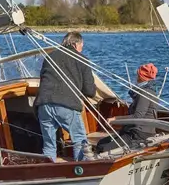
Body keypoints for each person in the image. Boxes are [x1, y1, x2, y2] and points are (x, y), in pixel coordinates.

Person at [34, 32, 96, 161]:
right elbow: (90, 91)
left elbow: (43, 79)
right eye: (81, 46)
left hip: (43, 104)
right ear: (75, 44)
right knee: (79, 140)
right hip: (66, 105)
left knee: (49, 145)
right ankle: (80, 170)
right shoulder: (81, 59)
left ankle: (48, 172)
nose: (81, 49)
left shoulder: (49, 57)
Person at [96, 63, 159, 153]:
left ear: (141, 76)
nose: (136, 76)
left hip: (139, 133)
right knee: (101, 143)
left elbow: (138, 116)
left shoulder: (144, 93)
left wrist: (115, 119)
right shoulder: (148, 90)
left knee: (103, 148)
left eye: (138, 74)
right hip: (134, 130)